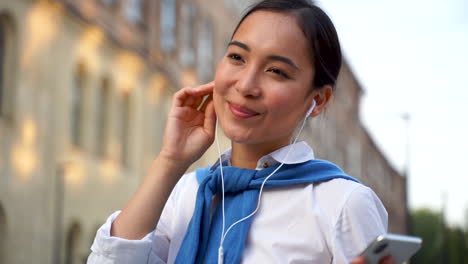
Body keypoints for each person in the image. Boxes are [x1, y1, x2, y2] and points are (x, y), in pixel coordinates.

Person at [88, 0, 395, 263]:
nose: (246, 85)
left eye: (276, 71)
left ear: (317, 100)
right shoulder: (186, 193)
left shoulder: (342, 203)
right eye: (237, 57)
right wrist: (170, 161)